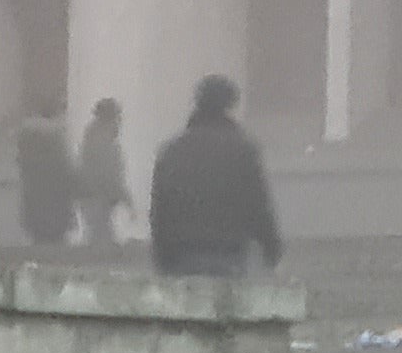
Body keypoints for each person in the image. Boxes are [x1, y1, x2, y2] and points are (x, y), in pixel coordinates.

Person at [149, 76, 281, 279]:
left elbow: (161, 207)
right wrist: (271, 247)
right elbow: (257, 203)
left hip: (182, 255)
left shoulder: (172, 151)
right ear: (229, 104)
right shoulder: (243, 149)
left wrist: (161, 255)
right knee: (226, 307)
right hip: (228, 251)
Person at [73, 99, 133, 250]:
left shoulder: (91, 141)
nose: (119, 123)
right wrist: (127, 201)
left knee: (96, 239)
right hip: (99, 201)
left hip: (92, 200)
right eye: (117, 118)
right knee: (101, 243)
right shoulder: (104, 144)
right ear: (110, 119)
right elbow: (111, 177)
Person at [13, 108, 76, 247]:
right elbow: (67, 175)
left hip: (36, 211)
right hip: (57, 211)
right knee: (57, 247)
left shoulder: (28, 142)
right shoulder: (56, 141)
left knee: (39, 245)